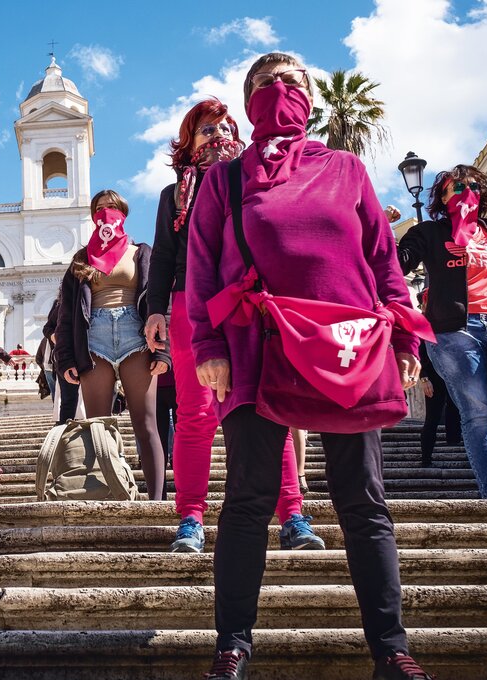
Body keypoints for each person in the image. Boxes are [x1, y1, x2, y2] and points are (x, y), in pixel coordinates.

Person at [187, 52, 434, 680]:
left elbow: (383, 260)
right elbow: (202, 270)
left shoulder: (346, 169)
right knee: (246, 499)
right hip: (255, 345)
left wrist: (405, 339)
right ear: (249, 102)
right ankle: (233, 645)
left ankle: (390, 649)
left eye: (292, 82)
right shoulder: (224, 180)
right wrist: (209, 348)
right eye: (267, 84)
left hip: (348, 347)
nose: (280, 91)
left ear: (311, 99)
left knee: (363, 501)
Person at [143, 97, 320, 552]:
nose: (218, 136)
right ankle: (191, 518)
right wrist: (156, 309)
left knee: (268, 406)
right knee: (196, 414)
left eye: (225, 128)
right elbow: (163, 256)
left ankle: (293, 514)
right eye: (207, 130)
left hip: (251, 302)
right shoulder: (175, 195)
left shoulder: (256, 180)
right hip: (190, 303)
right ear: (189, 143)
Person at [398, 166, 487, 499]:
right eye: (455, 186)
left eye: (473, 185)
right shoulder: (431, 233)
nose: (465, 190)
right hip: (454, 331)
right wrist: (377, 227)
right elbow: (397, 264)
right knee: (477, 412)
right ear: (442, 197)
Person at [55, 189, 171, 501]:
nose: (107, 212)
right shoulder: (81, 260)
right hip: (94, 340)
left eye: (113, 207)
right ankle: (104, 494)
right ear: (94, 216)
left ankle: (157, 500)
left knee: (146, 422)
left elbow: (160, 303)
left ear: (123, 213)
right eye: (101, 208)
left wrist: (163, 349)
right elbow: (67, 314)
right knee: (97, 426)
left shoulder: (141, 253)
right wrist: (65, 358)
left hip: (137, 334)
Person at [418, 341, 461, 467]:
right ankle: (426, 459)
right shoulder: (427, 327)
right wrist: (424, 378)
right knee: (432, 418)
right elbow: (419, 354)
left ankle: (454, 441)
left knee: (455, 409)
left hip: (454, 374)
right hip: (433, 377)